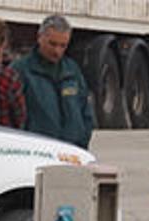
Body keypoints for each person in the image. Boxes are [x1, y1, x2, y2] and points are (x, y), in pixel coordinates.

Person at [10, 14, 94, 148]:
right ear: (39, 38)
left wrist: (82, 140)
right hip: (37, 150)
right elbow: (12, 115)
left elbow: (85, 110)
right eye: (52, 44)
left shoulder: (72, 70)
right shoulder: (21, 70)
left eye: (63, 46)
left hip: (72, 151)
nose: (57, 51)